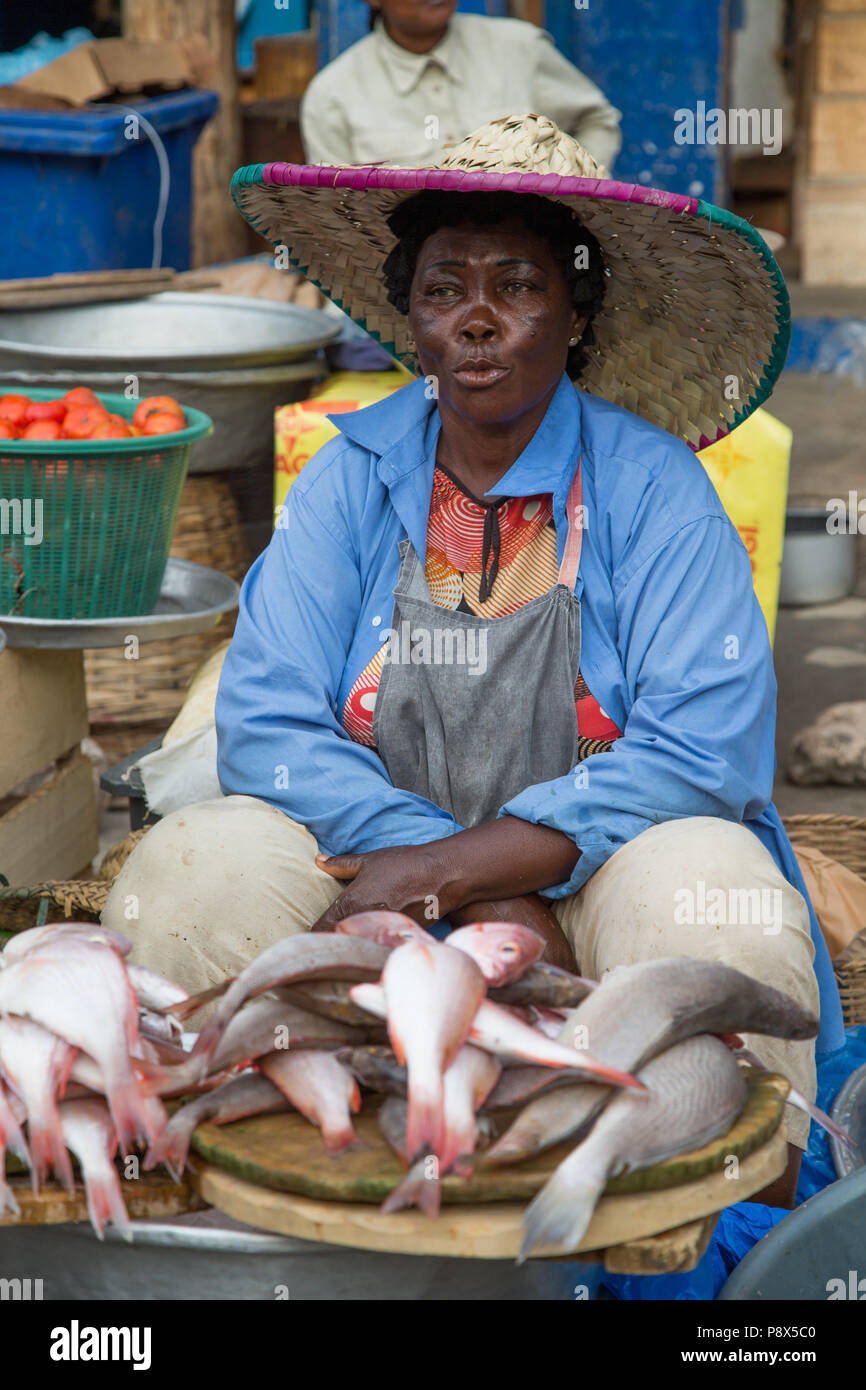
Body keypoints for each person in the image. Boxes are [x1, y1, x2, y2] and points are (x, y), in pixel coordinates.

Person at [106, 114, 844, 1206]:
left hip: (603, 864)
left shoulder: (653, 490)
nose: (479, 319)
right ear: (410, 317)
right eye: (445, 288)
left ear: (577, 309)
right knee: (191, 868)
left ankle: (699, 1226)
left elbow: (702, 747)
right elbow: (266, 716)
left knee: (710, 898)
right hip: (372, 852)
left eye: (519, 284)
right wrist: (435, 869)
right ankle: (227, 1196)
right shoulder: (349, 478)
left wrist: (503, 868)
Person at [300, 0, 621, 170]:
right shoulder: (333, 94)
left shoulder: (519, 48)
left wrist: (575, 195)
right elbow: (337, 212)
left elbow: (597, 121)